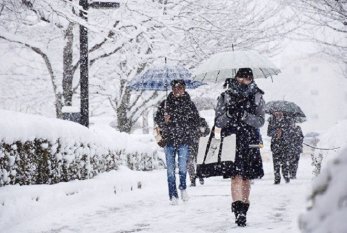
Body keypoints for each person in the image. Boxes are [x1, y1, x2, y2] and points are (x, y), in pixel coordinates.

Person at [214, 68, 265, 227]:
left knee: (246, 177)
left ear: (252, 79)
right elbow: (218, 122)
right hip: (231, 140)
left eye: (248, 77)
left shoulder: (257, 96)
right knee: (235, 176)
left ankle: (244, 209)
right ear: (235, 77)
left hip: (250, 140)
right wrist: (229, 114)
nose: (244, 80)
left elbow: (261, 121)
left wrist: (245, 116)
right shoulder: (225, 96)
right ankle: (238, 211)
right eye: (241, 77)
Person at [154, 79, 200, 205]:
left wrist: (182, 122)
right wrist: (164, 120)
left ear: (184, 89)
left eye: (179, 88)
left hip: (184, 140)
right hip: (169, 141)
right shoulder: (165, 104)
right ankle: (173, 195)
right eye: (174, 88)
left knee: (183, 168)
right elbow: (157, 119)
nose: (177, 90)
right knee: (170, 170)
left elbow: (196, 121)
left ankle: (183, 187)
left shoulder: (189, 104)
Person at [267, 112, 300, 184]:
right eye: (276, 113)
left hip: (285, 145)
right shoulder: (271, 120)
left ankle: (286, 177)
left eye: (279, 113)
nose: (277, 114)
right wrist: (276, 132)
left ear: (282, 113)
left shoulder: (288, 120)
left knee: (285, 163)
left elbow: (291, 132)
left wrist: (282, 132)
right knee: (276, 164)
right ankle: (277, 179)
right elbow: (268, 133)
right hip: (275, 145)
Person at [187, 117, 210, 187]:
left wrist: (202, 132)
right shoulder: (186, 120)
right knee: (189, 162)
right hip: (189, 144)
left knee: (198, 162)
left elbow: (208, 131)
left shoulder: (201, 120)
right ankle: (193, 179)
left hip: (199, 144)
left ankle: (200, 175)